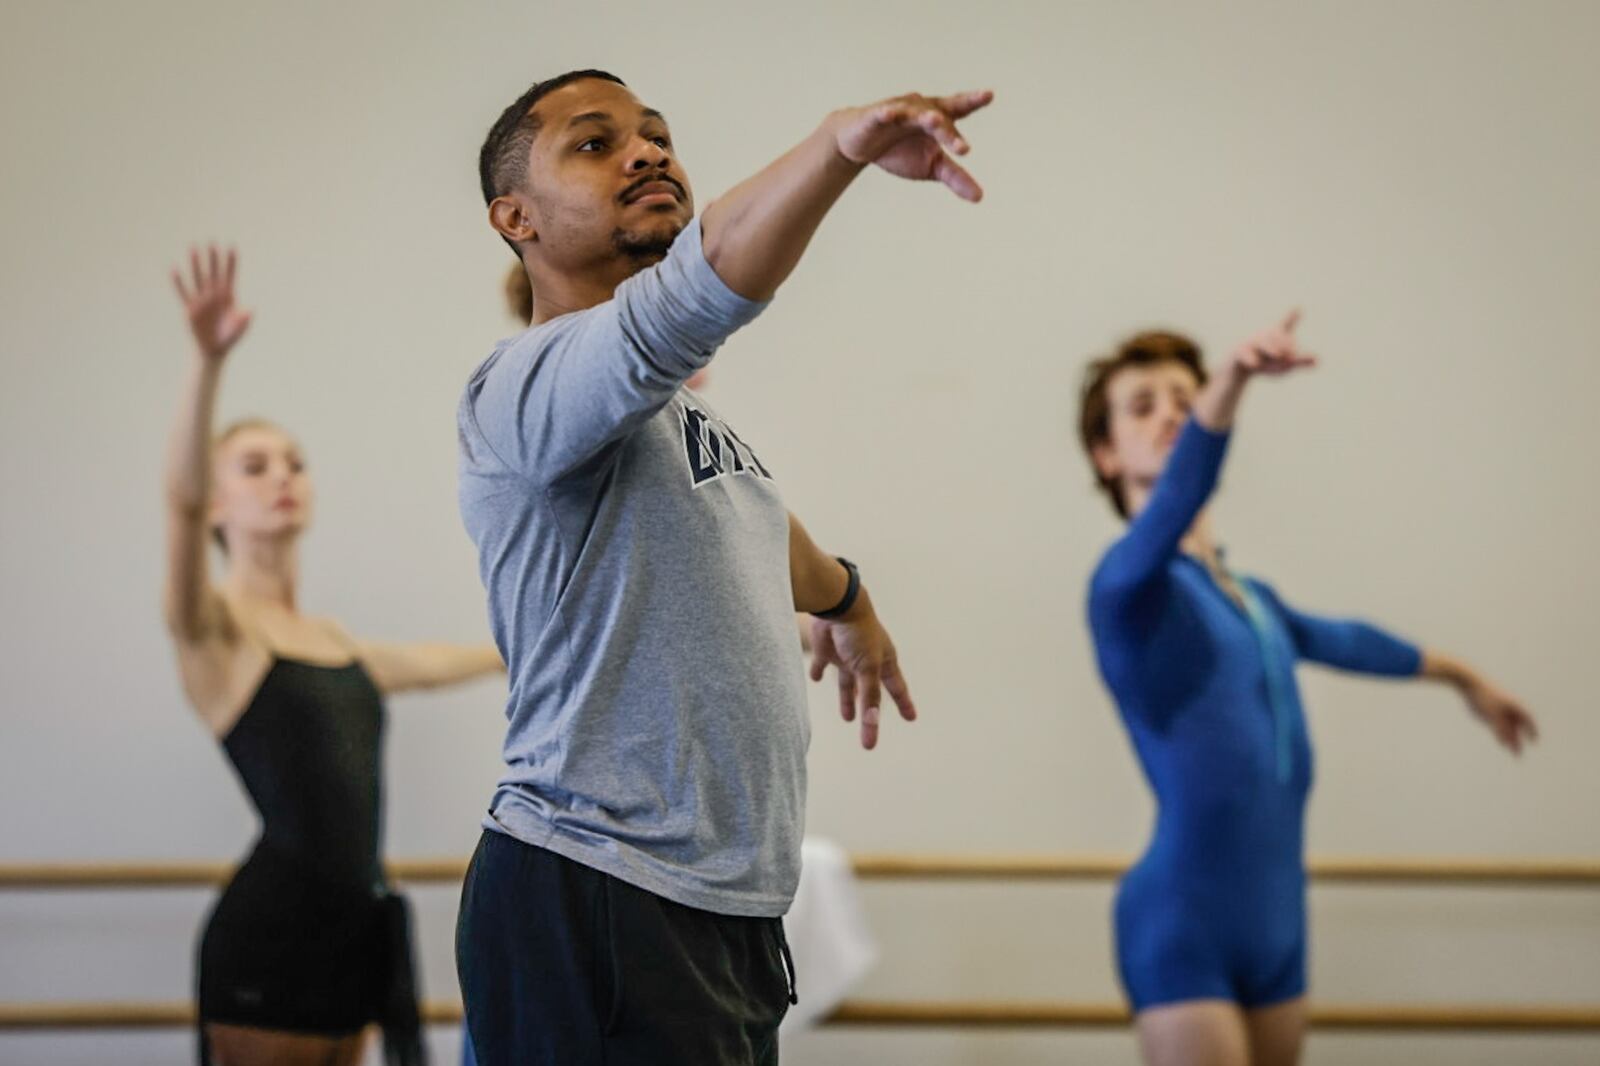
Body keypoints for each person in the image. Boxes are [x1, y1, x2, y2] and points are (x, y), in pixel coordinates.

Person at [455, 70, 989, 1065]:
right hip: (596, 885)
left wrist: (845, 596)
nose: (647, 150)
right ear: (513, 216)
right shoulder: (524, 384)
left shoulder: (674, 419)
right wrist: (838, 148)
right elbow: (698, 293)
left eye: (655, 133)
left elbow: (753, 519)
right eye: (595, 142)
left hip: (718, 914)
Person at [1079, 316, 1539, 1066]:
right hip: (1181, 921)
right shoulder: (1127, 590)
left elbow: (1350, 640)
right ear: (1105, 454)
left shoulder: (1255, 599)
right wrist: (1228, 381)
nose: (1169, 414)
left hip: (1277, 921)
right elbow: (1184, 489)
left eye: (1181, 399)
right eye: (1143, 406)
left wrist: (1464, 676)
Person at [164, 247, 504, 1066]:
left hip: (355, 936)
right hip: (270, 938)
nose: (283, 476)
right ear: (218, 501)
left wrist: (547, 644)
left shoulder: (338, 644)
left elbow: (447, 659)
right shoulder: (212, 632)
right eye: (254, 466)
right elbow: (175, 506)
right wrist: (208, 364)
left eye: (295, 463)